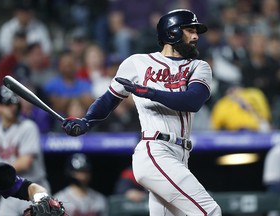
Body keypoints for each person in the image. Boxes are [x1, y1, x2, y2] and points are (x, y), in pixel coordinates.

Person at [62, 9, 221, 216]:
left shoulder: (199, 67)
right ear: (172, 33)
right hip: (155, 150)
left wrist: (150, 92)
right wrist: (86, 121)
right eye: (189, 30)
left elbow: (193, 101)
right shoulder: (137, 63)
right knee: (210, 211)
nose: (195, 36)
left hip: (181, 154)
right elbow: (108, 100)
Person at [0, 86, 51, 216]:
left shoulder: (28, 127)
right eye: (7, 104)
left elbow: (25, 162)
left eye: (14, 103)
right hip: (8, 191)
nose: (13, 107)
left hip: (32, 188)